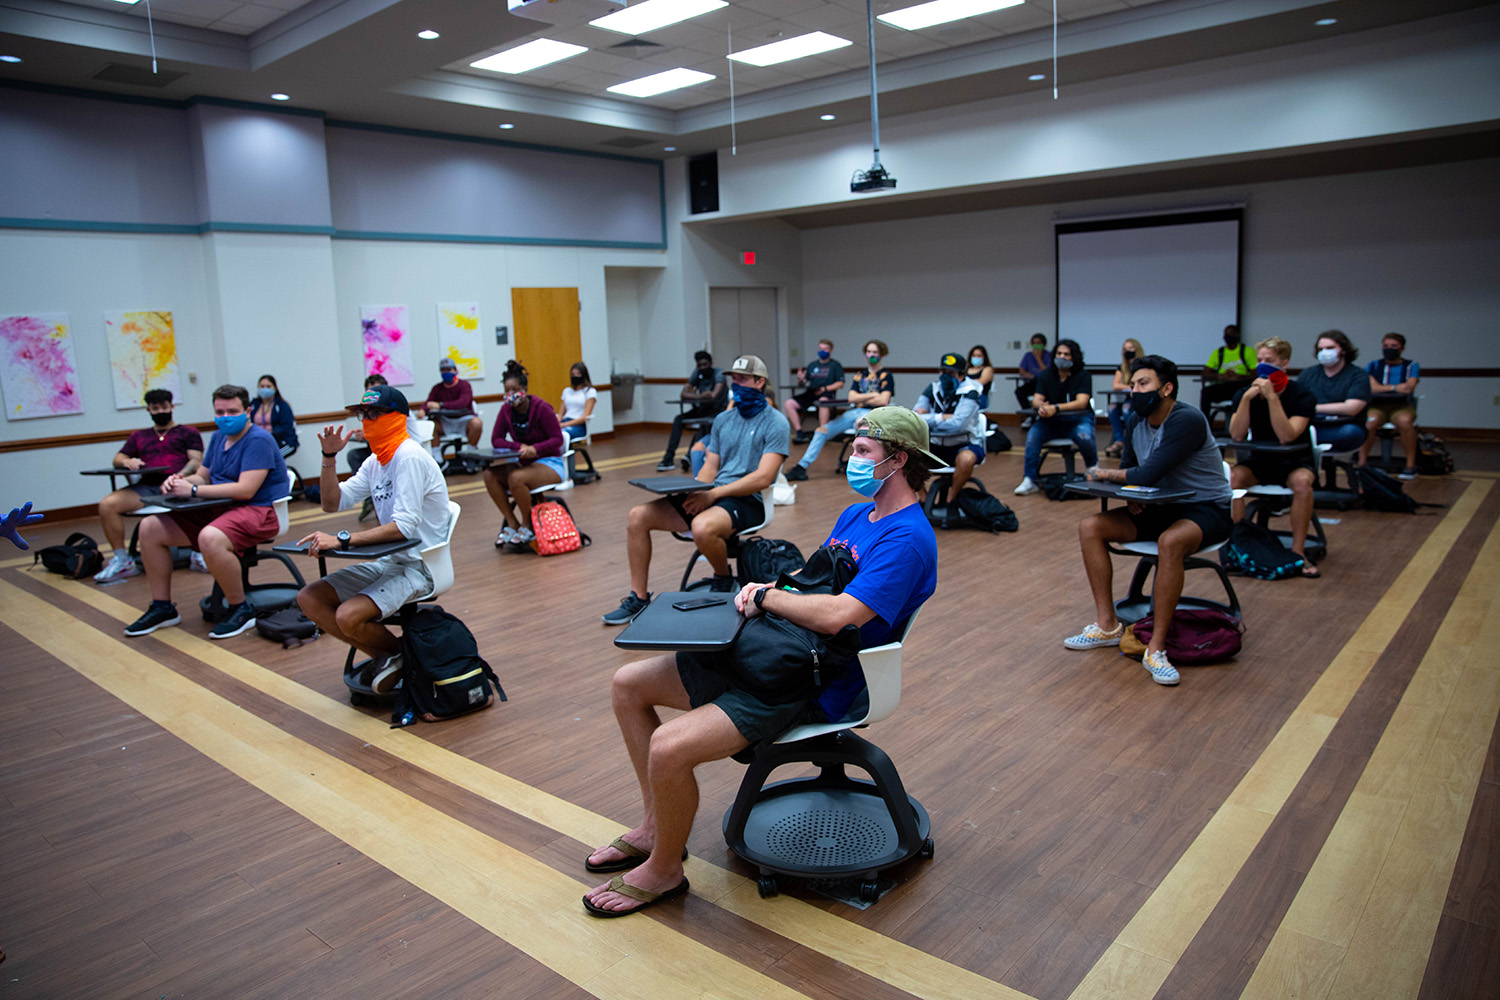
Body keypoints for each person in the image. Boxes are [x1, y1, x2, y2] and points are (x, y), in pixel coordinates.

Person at [582, 406, 938, 917]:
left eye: (862, 452)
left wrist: (768, 600)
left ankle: (664, 870)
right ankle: (655, 828)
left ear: (898, 460)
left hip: (817, 683)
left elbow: (840, 615)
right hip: (781, 652)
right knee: (628, 685)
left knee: (668, 747)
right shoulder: (860, 515)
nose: (852, 461)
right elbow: (812, 580)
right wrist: (768, 587)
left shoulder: (907, 540)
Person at [1065, 355, 1233, 686]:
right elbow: (1132, 469)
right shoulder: (1135, 422)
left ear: (1167, 388)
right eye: (1133, 385)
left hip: (1204, 508)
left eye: (1143, 384)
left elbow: (1149, 472)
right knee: (1090, 527)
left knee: (1170, 542)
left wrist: (1104, 473)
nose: (1135, 391)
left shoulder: (1188, 420)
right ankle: (1107, 625)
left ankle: (1156, 649)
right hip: (1158, 506)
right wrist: (1129, 491)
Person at [603, 355, 789, 624]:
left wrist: (713, 494)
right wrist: (695, 491)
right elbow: (710, 467)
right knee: (637, 516)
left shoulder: (776, 422)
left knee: (702, 527)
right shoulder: (724, 420)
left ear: (760, 383)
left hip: (749, 500)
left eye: (743, 379)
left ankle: (723, 577)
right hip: (714, 493)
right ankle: (639, 597)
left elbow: (763, 477)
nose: (736, 384)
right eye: (733, 379)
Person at [295, 384, 451, 694]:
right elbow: (333, 502)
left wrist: (341, 540)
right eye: (363, 414)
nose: (366, 420)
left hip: (421, 567)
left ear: (397, 418)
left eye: (375, 413)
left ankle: (400, 658)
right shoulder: (376, 461)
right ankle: (391, 656)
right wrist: (329, 457)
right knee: (309, 598)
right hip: (390, 560)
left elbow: (405, 527)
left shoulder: (408, 457)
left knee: (348, 616)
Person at [123, 384, 291, 639]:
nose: (225, 417)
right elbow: (203, 475)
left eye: (232, 411)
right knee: (150, 527)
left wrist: (191, 492)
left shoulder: (259, 440)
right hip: (220, 508)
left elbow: (245, 490)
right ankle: (162, 607)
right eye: (219, 412)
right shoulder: (217, 438)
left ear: (247, 411)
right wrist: (180, 482)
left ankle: (241, 609)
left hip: (260, 511)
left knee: (209, 537)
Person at [1228, 337, 1321, 578]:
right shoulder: (1244, 394)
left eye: (1269, 361)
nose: (1262, 365)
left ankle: (1298, 551)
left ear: (1284, 363)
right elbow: (1236, 434)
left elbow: (1286, 436)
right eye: (1259, 360)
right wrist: (1247, 399)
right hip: (1261, 461)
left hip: (1294, 461)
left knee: (1302, 483)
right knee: (1233, 478)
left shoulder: (1302, 396)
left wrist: (1272, 398)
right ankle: (1240, 547)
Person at [93, 388, 205, 583]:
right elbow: (118, 457)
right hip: (147, 487)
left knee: (197, 499)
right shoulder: (139, 436)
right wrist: (126, 462)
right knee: (107, 505)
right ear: (149, 410)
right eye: (155, 408)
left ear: (171, 406)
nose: (160, 411)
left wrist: (180, 477)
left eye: (164, 407)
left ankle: (198, 553)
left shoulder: (188, 432)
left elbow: (196, 460)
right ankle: (122, 561)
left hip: (178, 485)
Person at [784, 339, 894, 481]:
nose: (871, 354)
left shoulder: (886, 375)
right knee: (821, 430)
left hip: (872, 414)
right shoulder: (860, 374)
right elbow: (851, 397)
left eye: (874, 352)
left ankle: (863, 469)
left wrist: (861, 398)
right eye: (868, 352)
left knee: (861, 424)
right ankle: (801, 467)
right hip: (853, 413)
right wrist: (873, 394)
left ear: (881, 354)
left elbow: (883, 400)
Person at [483, 360, 567, 548]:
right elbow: (496, 439)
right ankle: (512, 522)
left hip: (550, 463)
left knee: (515, 478)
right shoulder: (506, 410)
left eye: (515, 390)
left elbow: (557, 439)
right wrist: (518, 446)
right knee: (489, 474)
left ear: (525, 389)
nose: (510, 395)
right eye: (507, 391)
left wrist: (535, 449)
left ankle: (527, 524)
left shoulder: (542, 408)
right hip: (523, 463)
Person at [1015, 338, 1097, 496]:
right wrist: (1042, 407)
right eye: (1059, 353)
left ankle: (1093, 471)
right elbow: (1037, 399)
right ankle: (1029, 480)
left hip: (1077, 420)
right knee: (1033, 436)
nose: (1062, 357)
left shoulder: (1083, 375)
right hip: (1051, 422)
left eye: (1066, 354)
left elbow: (1082, 402)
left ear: (1074, 357)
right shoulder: (1046, 375)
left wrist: (1056, 408)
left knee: (1084, 436)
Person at [913, 352, 986, 497]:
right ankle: (924, 499)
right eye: (943, 371)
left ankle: (952, 499)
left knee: (966, 459)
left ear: (960, 374)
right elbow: (915, 418)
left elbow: (957, 424)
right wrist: (943, 417)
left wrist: (929, 418)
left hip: (963, 443)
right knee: (904, 456)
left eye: (950, 373)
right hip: (935, 444)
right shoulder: (933, 388)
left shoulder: (971, 391)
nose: (945, 376)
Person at [1358, 332, 1421, 479]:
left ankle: (1410, 466)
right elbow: (1371, 388)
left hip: (1401, 406)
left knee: (1405, 422)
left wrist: (1382, 387)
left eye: (1393, 346)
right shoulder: (1374, 365)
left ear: (1402, 348)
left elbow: (1409, 387)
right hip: (1377, 406)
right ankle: (1362, 464)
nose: (1389, 349)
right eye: (1386, 346)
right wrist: (1394, 388)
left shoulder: (1411, 365)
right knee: (1368, 424)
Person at [1297, 329, 1370, 453]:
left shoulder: (1358, 375)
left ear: (1343, 350)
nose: (1324, 352)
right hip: (1312, 426)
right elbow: (1296, 403)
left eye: (1330, 348)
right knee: (1293, 430)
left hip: (1344, 427)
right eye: (1321, 349)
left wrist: (1312, 408)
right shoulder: (1307, 374)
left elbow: (1352, 408)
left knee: (1351, 433)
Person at [657, 351, 727, 472]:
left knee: (704, 425)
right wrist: (701, 396)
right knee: (679, 419)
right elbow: (683, 394)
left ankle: (689, 456)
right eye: (699, 365)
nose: (702, 368)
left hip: (717, 411)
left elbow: (714, 395)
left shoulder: (719, 373)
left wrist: (694, 395)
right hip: (701, 409)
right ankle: (668, 458)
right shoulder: (697, 374)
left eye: (705, 365)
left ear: (710, 363)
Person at [782, 338, 844, 444]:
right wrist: (800, 379)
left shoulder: (835, 365)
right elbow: (803, 383)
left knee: (823, 401)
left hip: (826, 393)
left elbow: (840, 383)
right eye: (820, 348)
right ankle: (799, 432)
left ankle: (822, 433)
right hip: (811, 393)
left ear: (831, 350)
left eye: (825, 349)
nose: (822, 351)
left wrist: (825, 388)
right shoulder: (812, 365)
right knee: (789, 403)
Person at [424, 358, 482, 448]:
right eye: (443, 370)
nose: (446, 372)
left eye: (449, 369)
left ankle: (470, 453)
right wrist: (423, 410)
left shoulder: (465, 385)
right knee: (430, 425)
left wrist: (441, 405)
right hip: (445, 421)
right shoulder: (437, 388)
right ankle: (437, 457)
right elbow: (428, 403)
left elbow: (462, 403)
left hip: (463, 419)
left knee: (477, 423)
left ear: (455, 370)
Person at [1199, 324, 1254, 417]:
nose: (1227, 337)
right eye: (1225, 334)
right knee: (1206, 392)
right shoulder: (1219, 352)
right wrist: (1220, 376)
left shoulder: (1247, 351)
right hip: (1223, 386)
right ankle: (1205, 425)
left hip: (1240, 386)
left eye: (1230, 334)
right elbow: (1205, 373)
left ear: (1237, 335)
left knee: (1243, 395)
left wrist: (1239, 376)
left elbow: (1256, 373)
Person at [1105, 338, 1144, 457]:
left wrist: (1131, 387)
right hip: (1126, 398)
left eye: (1131, 348)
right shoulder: (1122, 367)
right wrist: (1129, 387)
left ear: (1137, 349)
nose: (1128, 351)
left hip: (1138, 400)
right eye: (1125, 349)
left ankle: (1130, 442)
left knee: (1127, 408)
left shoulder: (1143, 366)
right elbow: (1116, 385)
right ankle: (1119, 441)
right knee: (1111, 407)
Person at [250, 375, 299, 457]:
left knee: (270, 459)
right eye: (262, 386)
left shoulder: (282, 406)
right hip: (259, 441)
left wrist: (270, 433)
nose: (265, 389)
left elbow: (286, 426)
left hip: (282, 441)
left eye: (268, 386)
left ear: (275, 388)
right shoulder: (253, 405)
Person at [559, 361, 597, 441]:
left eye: (578, 374)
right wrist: (557, 424)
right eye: (573, 374)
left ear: (583, 375)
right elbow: (561, 414)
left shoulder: (590, 391)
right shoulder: (567, 391)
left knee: (562, 434)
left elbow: (585, 416)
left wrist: (564, 425)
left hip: (578, 425)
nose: (575, 376)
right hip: (565, 420)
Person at [1015, 333, 1049, 411]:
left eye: (1038, 343)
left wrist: (1038, 358)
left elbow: (1047, 372)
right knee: (1020, 392)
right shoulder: (1028, 355)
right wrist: (1025, 374)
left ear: (1043, 344)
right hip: (1032, 383)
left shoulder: (1048, 355)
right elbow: (1021, 370)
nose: (1036, 346)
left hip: (1045, 384)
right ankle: (1028, 413)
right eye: (1034, 343)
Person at [966, 345, 995, 409]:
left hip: (980, 398)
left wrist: (966, 383)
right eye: (973, 355)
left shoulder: (987, 369)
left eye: (979, 356)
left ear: (984, 357)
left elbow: (980, 382)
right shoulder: (966, 369)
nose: (976, 358)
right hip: (964, 397)